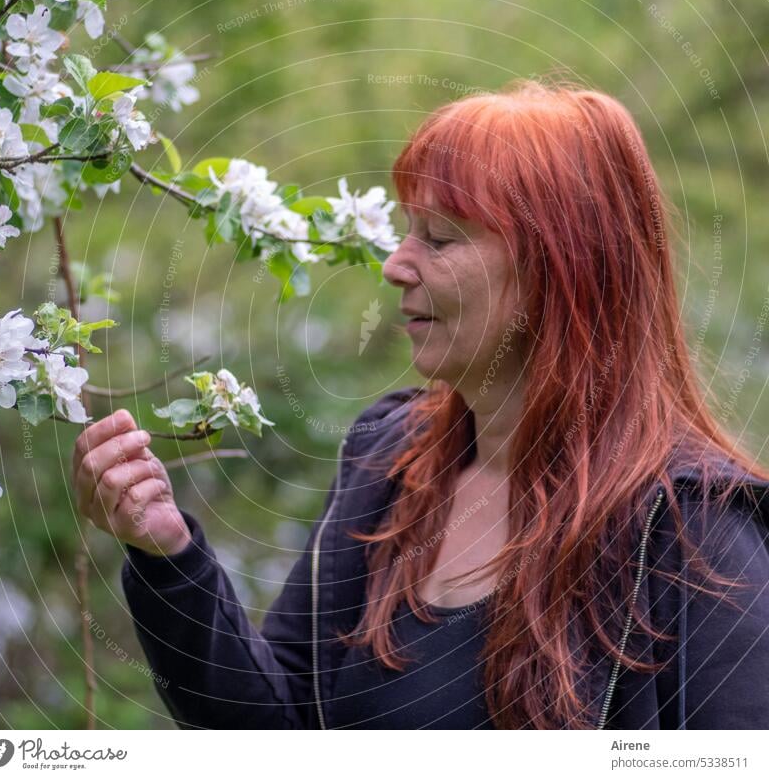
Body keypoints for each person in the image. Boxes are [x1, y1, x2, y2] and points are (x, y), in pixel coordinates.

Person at [72, 78, 769, 729]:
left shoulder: (693, 534)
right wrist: (168, 556)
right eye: (409, 231)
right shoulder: (387, 463)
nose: (396, 263)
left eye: (438, 239)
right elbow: (276, 729)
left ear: (557, 272)